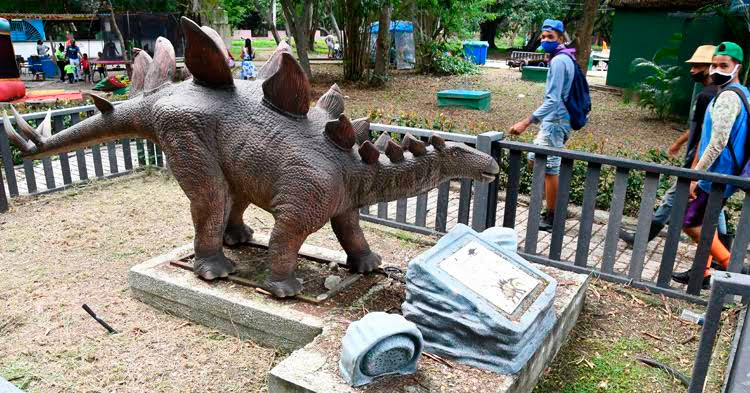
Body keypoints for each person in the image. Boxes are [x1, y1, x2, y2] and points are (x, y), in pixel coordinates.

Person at [620, 45, 727, 245]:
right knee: (714, 204)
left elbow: (706, 135)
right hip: (704, 160)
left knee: (675, 199)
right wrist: (678, 143)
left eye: (697, 66)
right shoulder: (714, 93)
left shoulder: (707, 96)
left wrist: (695, 167)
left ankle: (641, 238)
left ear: (709, 68)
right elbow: (699, 128)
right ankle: (726, 251)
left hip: (699, 160)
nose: (692, 71)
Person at [672, 42, 749, 289]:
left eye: (723, 65)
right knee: (707, 222)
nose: (716, 69)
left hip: (716, 173)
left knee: (691, 223)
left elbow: (716, 144)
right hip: (725, 172)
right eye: (714, 64)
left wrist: (696, 176)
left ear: (737, 67)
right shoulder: (743, 92)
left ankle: (734, 267)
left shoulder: (728, 96)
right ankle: (702, 272)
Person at [509, 19, 576, 232]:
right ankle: (553, 208)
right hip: (558, 120)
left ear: (560, 37)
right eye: (543, 36)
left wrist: (526, 122)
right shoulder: (566, 57)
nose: (545, 40)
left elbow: (553, 100)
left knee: (549, 169)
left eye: (550, 37)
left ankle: (552, 217)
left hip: (556, 121)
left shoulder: (558, 61)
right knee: (535, 160)